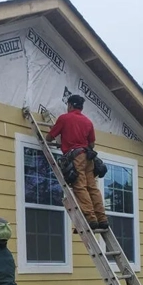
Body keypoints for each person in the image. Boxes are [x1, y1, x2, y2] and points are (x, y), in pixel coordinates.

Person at [45, 94, 109, 230]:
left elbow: (50, 137)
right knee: (92, 187)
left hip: (76, 157)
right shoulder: (88, 122)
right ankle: (102, 219)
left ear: (70, 105)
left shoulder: (64, 118)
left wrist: (48, 136)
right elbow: (91, 144)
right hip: (88, 157)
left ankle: (91, 219)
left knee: (80, 186)